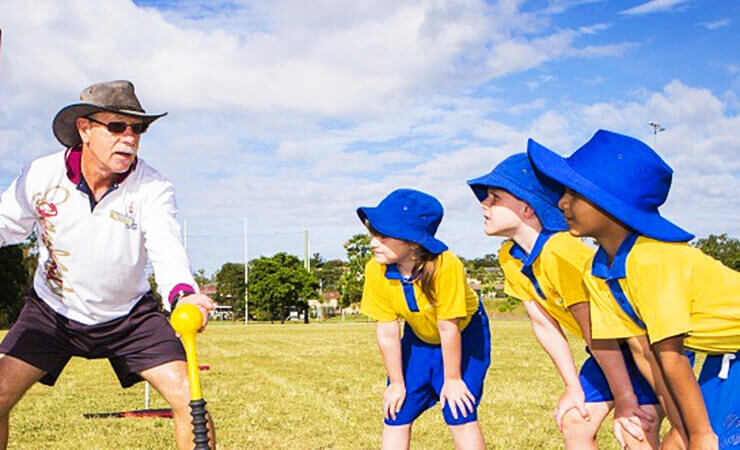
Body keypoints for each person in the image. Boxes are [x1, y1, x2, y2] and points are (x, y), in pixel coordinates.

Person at [0, 80, 216, 449]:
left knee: (189, 397)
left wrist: (183, 295)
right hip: (52, 312)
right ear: (85, 129)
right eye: (117, 126)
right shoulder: (39, 176)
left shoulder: (152, 187)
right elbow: (5, 225)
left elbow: (166, 246)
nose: (129, 138)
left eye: (137, 129)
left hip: (129, 317)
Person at [528, 129, 740, 449]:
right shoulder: (599, 272)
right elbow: (645, 351)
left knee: (716, 439)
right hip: (724, 350)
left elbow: (672, 355)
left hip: (728, 350)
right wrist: (681, 428)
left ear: (611, 202)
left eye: (574, 193)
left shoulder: (653, 259)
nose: (561, 202)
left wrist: (698, 435)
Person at [468, 151, 662, 449]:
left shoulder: (562, 252)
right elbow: (543, 324)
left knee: (637, 428)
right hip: (606, 349)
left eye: (495, 197)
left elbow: (599, 332)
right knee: (575, 420)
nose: (484, 204)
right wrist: (572, 386)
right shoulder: (510, 257)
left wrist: (625, 400)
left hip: (644, 345)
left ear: (526, 207)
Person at [358, 188, 491, 449]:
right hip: (418, 337)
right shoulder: (375, 268)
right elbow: (387, 331)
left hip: (463, 335)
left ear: (414, 242)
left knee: (458, 409)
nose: (374, 243)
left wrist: (452, 379)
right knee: (397, 409)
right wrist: (396, 383)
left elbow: (448, 328)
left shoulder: (446, 265)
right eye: (373, 234)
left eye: (384, 236)